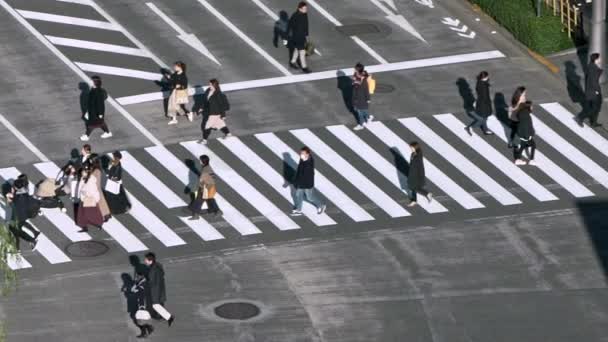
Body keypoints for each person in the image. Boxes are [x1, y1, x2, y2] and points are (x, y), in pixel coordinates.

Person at [5, 179, 39, 252]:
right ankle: (17, 248)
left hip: (18, 216)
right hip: (24, 214)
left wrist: (8, 197)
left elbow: (10, 204)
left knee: (15, 230)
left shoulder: (17, 196)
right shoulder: (24, 193)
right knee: (16, 230)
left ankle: (30, 240)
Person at [290, 147, 326, 216]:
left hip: (307, 184)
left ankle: (321, 205)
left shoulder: (309, 164)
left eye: (303, 153)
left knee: (310, 197)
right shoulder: (303, 159)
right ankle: (298, 210)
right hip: (301, 182)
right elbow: (299, 169)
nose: (301, 155)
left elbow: (306, 176)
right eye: (301, 153)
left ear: (307, 154)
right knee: (298, 195)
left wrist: (297, 182)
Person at [144, 253, 175, 327]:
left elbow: (152, 282)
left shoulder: (153, 270)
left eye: (146, 260)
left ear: (150, 260)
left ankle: (168, 317)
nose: (145, 261)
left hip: (155, 290)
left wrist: (145, 283)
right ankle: (162, 316)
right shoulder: (158, 265)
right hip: (160, 288)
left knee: (156, 304)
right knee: (159, 303)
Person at [197, 79, 232, 145]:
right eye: (209, 84)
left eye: (210, 84)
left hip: (215, 112)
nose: (209, 85)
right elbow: (205, 100)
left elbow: (221, 105)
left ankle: (204, 140)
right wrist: (202, 108)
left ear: (214, 85)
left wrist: (223, 115)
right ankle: (228, 134)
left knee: (207, 126)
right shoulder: (208, 90)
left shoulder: (218, 94)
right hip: (210, 111)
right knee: (220, 124)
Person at [188, 155, 221, 219]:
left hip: (205, 188)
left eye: (200, 160)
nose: (199, 161)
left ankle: (196, 215)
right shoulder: (206, 167)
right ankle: (216, 210)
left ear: (202, 162)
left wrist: (203, 188)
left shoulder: (206, 170)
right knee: (209, 199)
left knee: (199, 201)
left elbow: (207, 181)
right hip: (207, 187)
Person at [80, 76, 112, 141]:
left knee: (92, 124)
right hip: (93, 110)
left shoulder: (98, 92)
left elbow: (100, 104)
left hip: (96, 112)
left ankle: (86, 135)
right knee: (101, 123)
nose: (89, 81)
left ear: (95, 82)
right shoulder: (94, 89)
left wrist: (100, 114)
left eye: (91, 81)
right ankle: (108, 132)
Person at [578, 53, 604, 127]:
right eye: (599, 58)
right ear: (596, 60)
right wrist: (597, 91)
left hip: (591, 91)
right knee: (594, 108)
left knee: (596, 108)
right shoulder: (593, 68)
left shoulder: (592, 66)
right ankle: (580, 117)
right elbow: (593, 81)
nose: (600, 59)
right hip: (593, 92)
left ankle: (593, 122)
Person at [76, 166, 104, 232]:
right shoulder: (83, 179)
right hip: (84, 199)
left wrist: (86, 193)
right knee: (82, 214)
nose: (82, 173)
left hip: (90, 199)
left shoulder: (91, 180)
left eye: (83, 172)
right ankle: (84, 226)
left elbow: (93, 190)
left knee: (91, 213)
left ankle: (97, 224)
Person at [465, 71, 494, 135]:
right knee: (483, 118)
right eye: (487, 76)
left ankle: (485, 129)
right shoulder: (483, 85)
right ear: (485, 77)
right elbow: (485, 96)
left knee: (485, 117)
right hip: (484, 104)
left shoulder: (480, 82)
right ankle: (470, 127)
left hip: (482, 102)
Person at [288, 2, 311, 73]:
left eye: (306, 8)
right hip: (297, 37)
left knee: (296, 49)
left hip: (302, 36)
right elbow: (290, 25)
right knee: (302, 52)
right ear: (299, 8)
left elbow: (306, 25)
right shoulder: (295, 15)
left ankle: (292, 62)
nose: (306, 10)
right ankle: (304, 67)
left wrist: (307, 35)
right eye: (304, 9)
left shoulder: (305, 14)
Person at [407, 142, 433, 207]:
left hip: (416, 174)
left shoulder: (418, 156)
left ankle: (427, 194)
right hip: (412, 173)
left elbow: (420, 166)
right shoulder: (412, 154)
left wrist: (421, 175)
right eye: (410, 147)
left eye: (412, 147)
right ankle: (414, 200)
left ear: (415, 147)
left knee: (415, 187)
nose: (411, 149)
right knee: (412, 187)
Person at [513, 101, 538, 166]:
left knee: (523, 146)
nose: (532, 107)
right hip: (526, 135)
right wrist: (528, 136)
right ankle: (532, 160)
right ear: (528, 107)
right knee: (533, 145)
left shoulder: (521, 113)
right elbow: (527, 127)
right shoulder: (526, 116)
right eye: (531, 106)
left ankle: (518, 159)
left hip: (521, 134)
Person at [88, 155, 112, 221]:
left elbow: (94, 180)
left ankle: (103, 215)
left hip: (95, 189)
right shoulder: (95, 169)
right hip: (95, 189)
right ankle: (105, 215)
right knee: (100, 203)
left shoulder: (96, 170)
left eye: (91, 160)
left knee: (98, 203)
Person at [352, 63, 374, 130]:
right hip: (357, 97)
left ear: (358, 70)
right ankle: (368, 117)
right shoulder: (356, 75)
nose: (354, 70)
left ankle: (361, 125)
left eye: (355, 69)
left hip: (360, 98)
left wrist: (368, 99)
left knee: (360, 112)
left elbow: (366, 90)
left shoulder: (363, 80)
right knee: (363, 110)